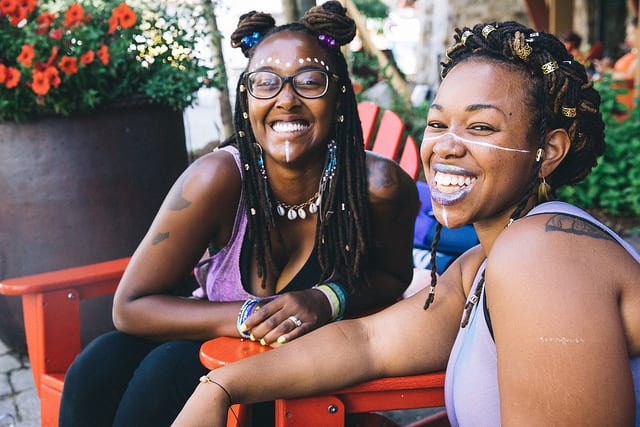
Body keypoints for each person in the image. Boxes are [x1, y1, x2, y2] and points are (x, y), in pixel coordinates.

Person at [174, 21, 640, 427]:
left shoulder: (542, 255)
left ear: (549, 152)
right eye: (438, 125)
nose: (446, 147)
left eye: (480, 128)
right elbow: (367, 342)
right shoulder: (480, 266)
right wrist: (220, 387)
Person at [58, 2, 419, 426]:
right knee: (97, 364)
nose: (287, 100)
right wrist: (249, 316)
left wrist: (329, 299)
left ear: (339, 95)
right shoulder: (217, 180)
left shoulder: (379, 188)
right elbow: (130, 307)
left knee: (171, 369)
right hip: (215, 340)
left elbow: (394, 277)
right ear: (245, 101)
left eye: (309, 82)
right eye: (265, 83)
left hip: (305, 379)